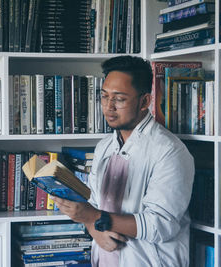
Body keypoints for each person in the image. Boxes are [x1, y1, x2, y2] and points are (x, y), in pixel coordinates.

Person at [51, 55, 194, 267]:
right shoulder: (104, 146)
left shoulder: (170, 151)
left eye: (119, 99)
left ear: (145, 101)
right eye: (104, 97)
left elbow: (162, 225)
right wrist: (91, 224)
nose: (109, 107)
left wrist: (94, 217)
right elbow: (94, 206)